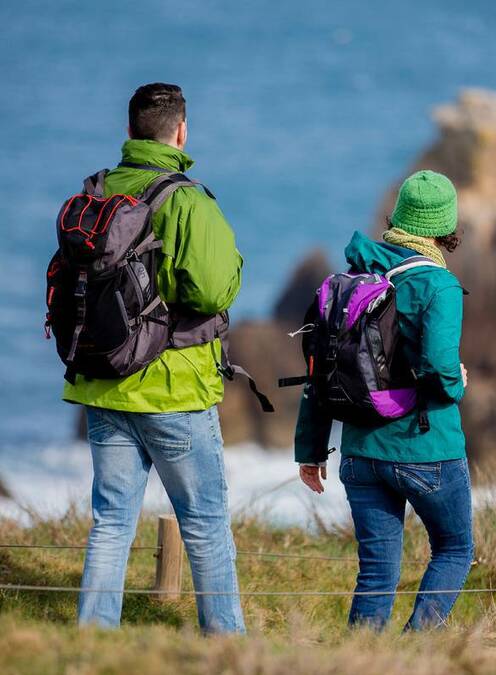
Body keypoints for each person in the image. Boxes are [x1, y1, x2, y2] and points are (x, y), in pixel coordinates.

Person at [66, 83, 245, 634]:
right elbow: (214, 292)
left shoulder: (98, 192)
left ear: (129, 131)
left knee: (112, 521)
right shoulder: (187, 199)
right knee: (206, 522)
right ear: (181, 131)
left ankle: (94, 639)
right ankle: (227, 643)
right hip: (173, 389)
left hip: (102, 382)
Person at [295, 170, 473, 630]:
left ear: (398, 217)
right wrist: (458, 385)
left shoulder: (354, 277)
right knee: (454, 550)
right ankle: (415, 654)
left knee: (376, 570)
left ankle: (363, 659)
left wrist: (310, 451)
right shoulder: (439, 286)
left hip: (359, 452)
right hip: (427, 449)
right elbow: (439, 369)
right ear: (444, 225)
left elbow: (321, 368)